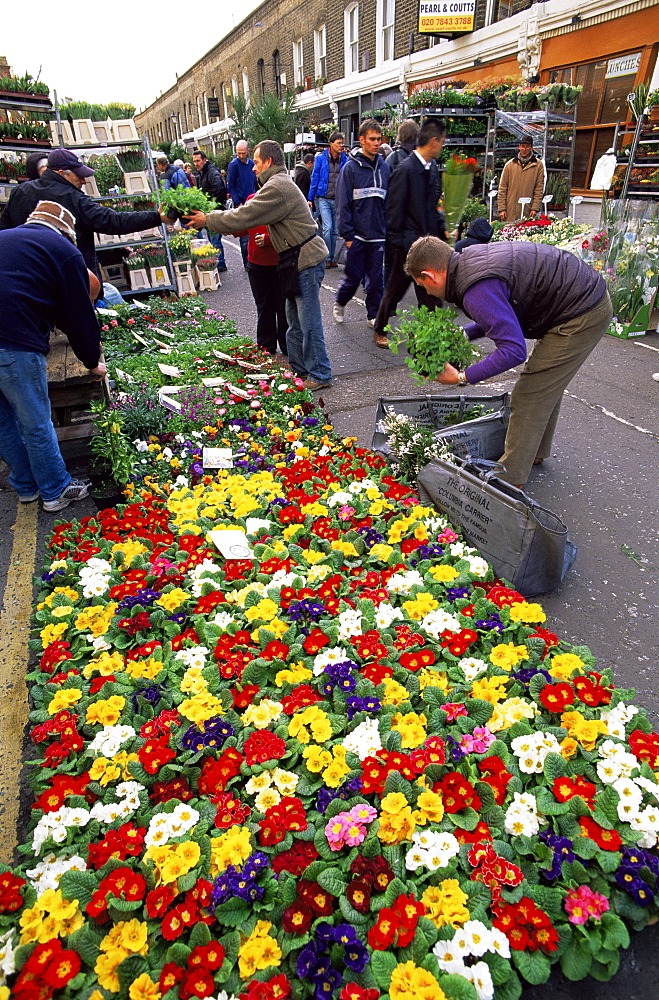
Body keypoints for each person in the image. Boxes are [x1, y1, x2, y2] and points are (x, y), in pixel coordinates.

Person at [404, 235, 613, 487]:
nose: (426, 291)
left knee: (529, 394)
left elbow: (513, 350)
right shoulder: (468, 262)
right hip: (577, 296)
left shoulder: (474, 287)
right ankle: (533, 452)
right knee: (546, 381)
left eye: (422, 285)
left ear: (430, 275)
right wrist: (461, 334)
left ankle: (509, 479)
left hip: (582, 313)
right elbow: (497, 311)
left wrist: (461, 377)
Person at [185, 140, 331, 391]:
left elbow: (245, 214)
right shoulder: (278, 184)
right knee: (294, 320)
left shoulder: (278, 187)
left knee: (307, 321)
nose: (253, 168)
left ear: (269, 162)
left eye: (257, 162)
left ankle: (319, 373)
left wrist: (208, 219)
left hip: (304, 258)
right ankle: (300, 370)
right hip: (294, 259)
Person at [0, 201, 106, 511]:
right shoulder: (63, 250)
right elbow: (78, 316)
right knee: (35, 419)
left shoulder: (11, 239)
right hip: (11, 341)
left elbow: (37, 297)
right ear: (67, 232)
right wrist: (91, 362)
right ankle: (55, 490)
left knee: (4, 421)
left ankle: (26, 486)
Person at [0, 148, 162, 281]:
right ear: (62, 172)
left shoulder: (20, 191)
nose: (84, 181)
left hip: (28, 276)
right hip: (68, 277)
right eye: (79, 175)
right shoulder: (72, 197)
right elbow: (114, 221)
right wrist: (157, 217)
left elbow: (4, 229)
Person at [372, 118, 446, 349]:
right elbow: (393, 210)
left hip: (427, 243)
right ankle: (380, 328)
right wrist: (398, 245)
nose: (442, 146)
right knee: (395, 288)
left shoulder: (431, 168)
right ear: (433, 141)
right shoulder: (405, 169)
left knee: (430, 293)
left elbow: (432, 205)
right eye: (442, 142)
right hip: (405, 245)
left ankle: (426, 334)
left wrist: (442, 230)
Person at [333, 119, 390, 328]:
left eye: (379, 139)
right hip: (357, 236)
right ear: (362, 140)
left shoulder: (384, 168)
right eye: (372, 139)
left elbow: (389, 202)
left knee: (376, 280)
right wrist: (347, 236)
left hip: (378, 235)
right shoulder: (350, 169)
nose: (376, 143)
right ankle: (340, 301)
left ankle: (372, 315)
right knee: (353, 278)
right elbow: (343, 203)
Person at [234, 193, 288, 358]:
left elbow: (292, 231)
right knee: (264, 305)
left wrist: (270, 239)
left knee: (283, 306)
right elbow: (241, 228)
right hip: (257, 264)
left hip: (281, 262)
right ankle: (266, 344)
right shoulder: (251, 200)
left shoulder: (282, 199)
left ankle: (287, 344)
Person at [308, 132, 348, 268]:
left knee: (336, 231)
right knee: (327, 228)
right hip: (323, 198)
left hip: (338, 199)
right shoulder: (321, 158)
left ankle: (333, 257)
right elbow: (315, 177)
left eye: (342, 143)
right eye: (338, 143)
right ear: (331, 144)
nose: (341, 146)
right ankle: (326, 256)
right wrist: (310, 197)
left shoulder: (345, 159)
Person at [193, 149, 228, 272]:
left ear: (204, 160)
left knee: (215, 239)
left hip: (213, 210)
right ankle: (219, 262)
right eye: (194, 161)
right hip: (209, 210)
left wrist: (212, 205)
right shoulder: (203, 173)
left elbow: (218, 189)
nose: (196, 163)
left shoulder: (211, 172)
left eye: (198, 161)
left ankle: (220, 263)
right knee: (213, 239)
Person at [497, 137, 545, 222]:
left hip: (528, 209)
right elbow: (502, 188)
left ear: (531, 147)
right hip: (510, 209)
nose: (524, 149)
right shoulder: (509, 165)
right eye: (522, 146)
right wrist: (502, 208)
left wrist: (535, 208)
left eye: (527, 146)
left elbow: (539, 189)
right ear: (519, 147)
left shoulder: (538, 165)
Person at [227, 140, 257, 267]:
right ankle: (247, 263)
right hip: (241, 202)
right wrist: (237, 202)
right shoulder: (234, 165)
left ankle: (253, 260)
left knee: (254, 233)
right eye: (238, 153)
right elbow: (231, 185)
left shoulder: (252, 164)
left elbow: (255, 182)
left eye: (243, 153)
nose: (240, 156)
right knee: (244, 236)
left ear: (248, 151)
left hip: (253, 201)